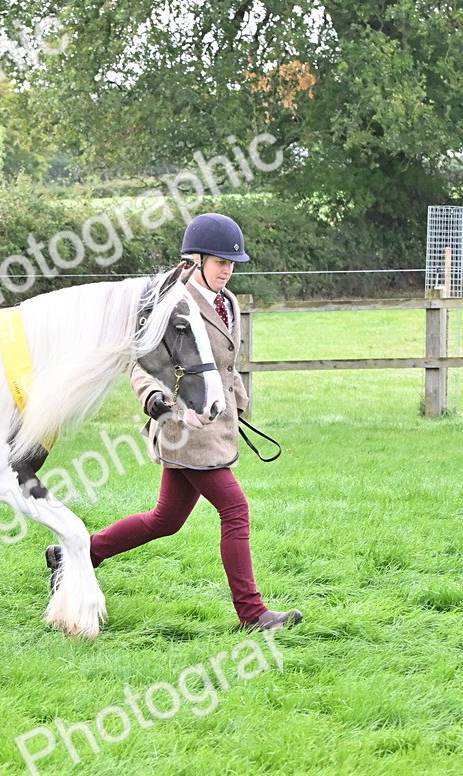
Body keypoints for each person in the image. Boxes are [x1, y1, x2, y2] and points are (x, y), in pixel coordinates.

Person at [46, 213, 301, 632]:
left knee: (166, 519)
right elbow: (141, 361)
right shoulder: (170, 301)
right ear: (195, 259)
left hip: (218, 422)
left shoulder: (230, 303)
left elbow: (225, 365)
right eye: (220, 261)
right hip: (181, 427)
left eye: (232, 262)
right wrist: (153, 398)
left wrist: (238, 403)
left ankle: (75, 555)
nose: (228, 269)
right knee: (235, 509)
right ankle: (252, 613)